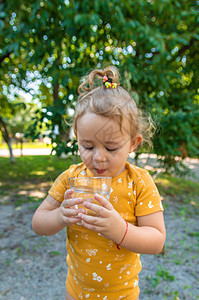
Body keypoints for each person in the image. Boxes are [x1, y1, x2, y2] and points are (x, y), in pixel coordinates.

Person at [32, 66, 166, 300]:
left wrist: (120, 230)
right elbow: (38, 222)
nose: (98, 157)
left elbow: (156, 240)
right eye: (88, 146)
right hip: (76, 290)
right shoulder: (71, 178)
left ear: (133, 143)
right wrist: (59, 216)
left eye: (111, 147)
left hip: (121, 294)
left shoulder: (139, 182)